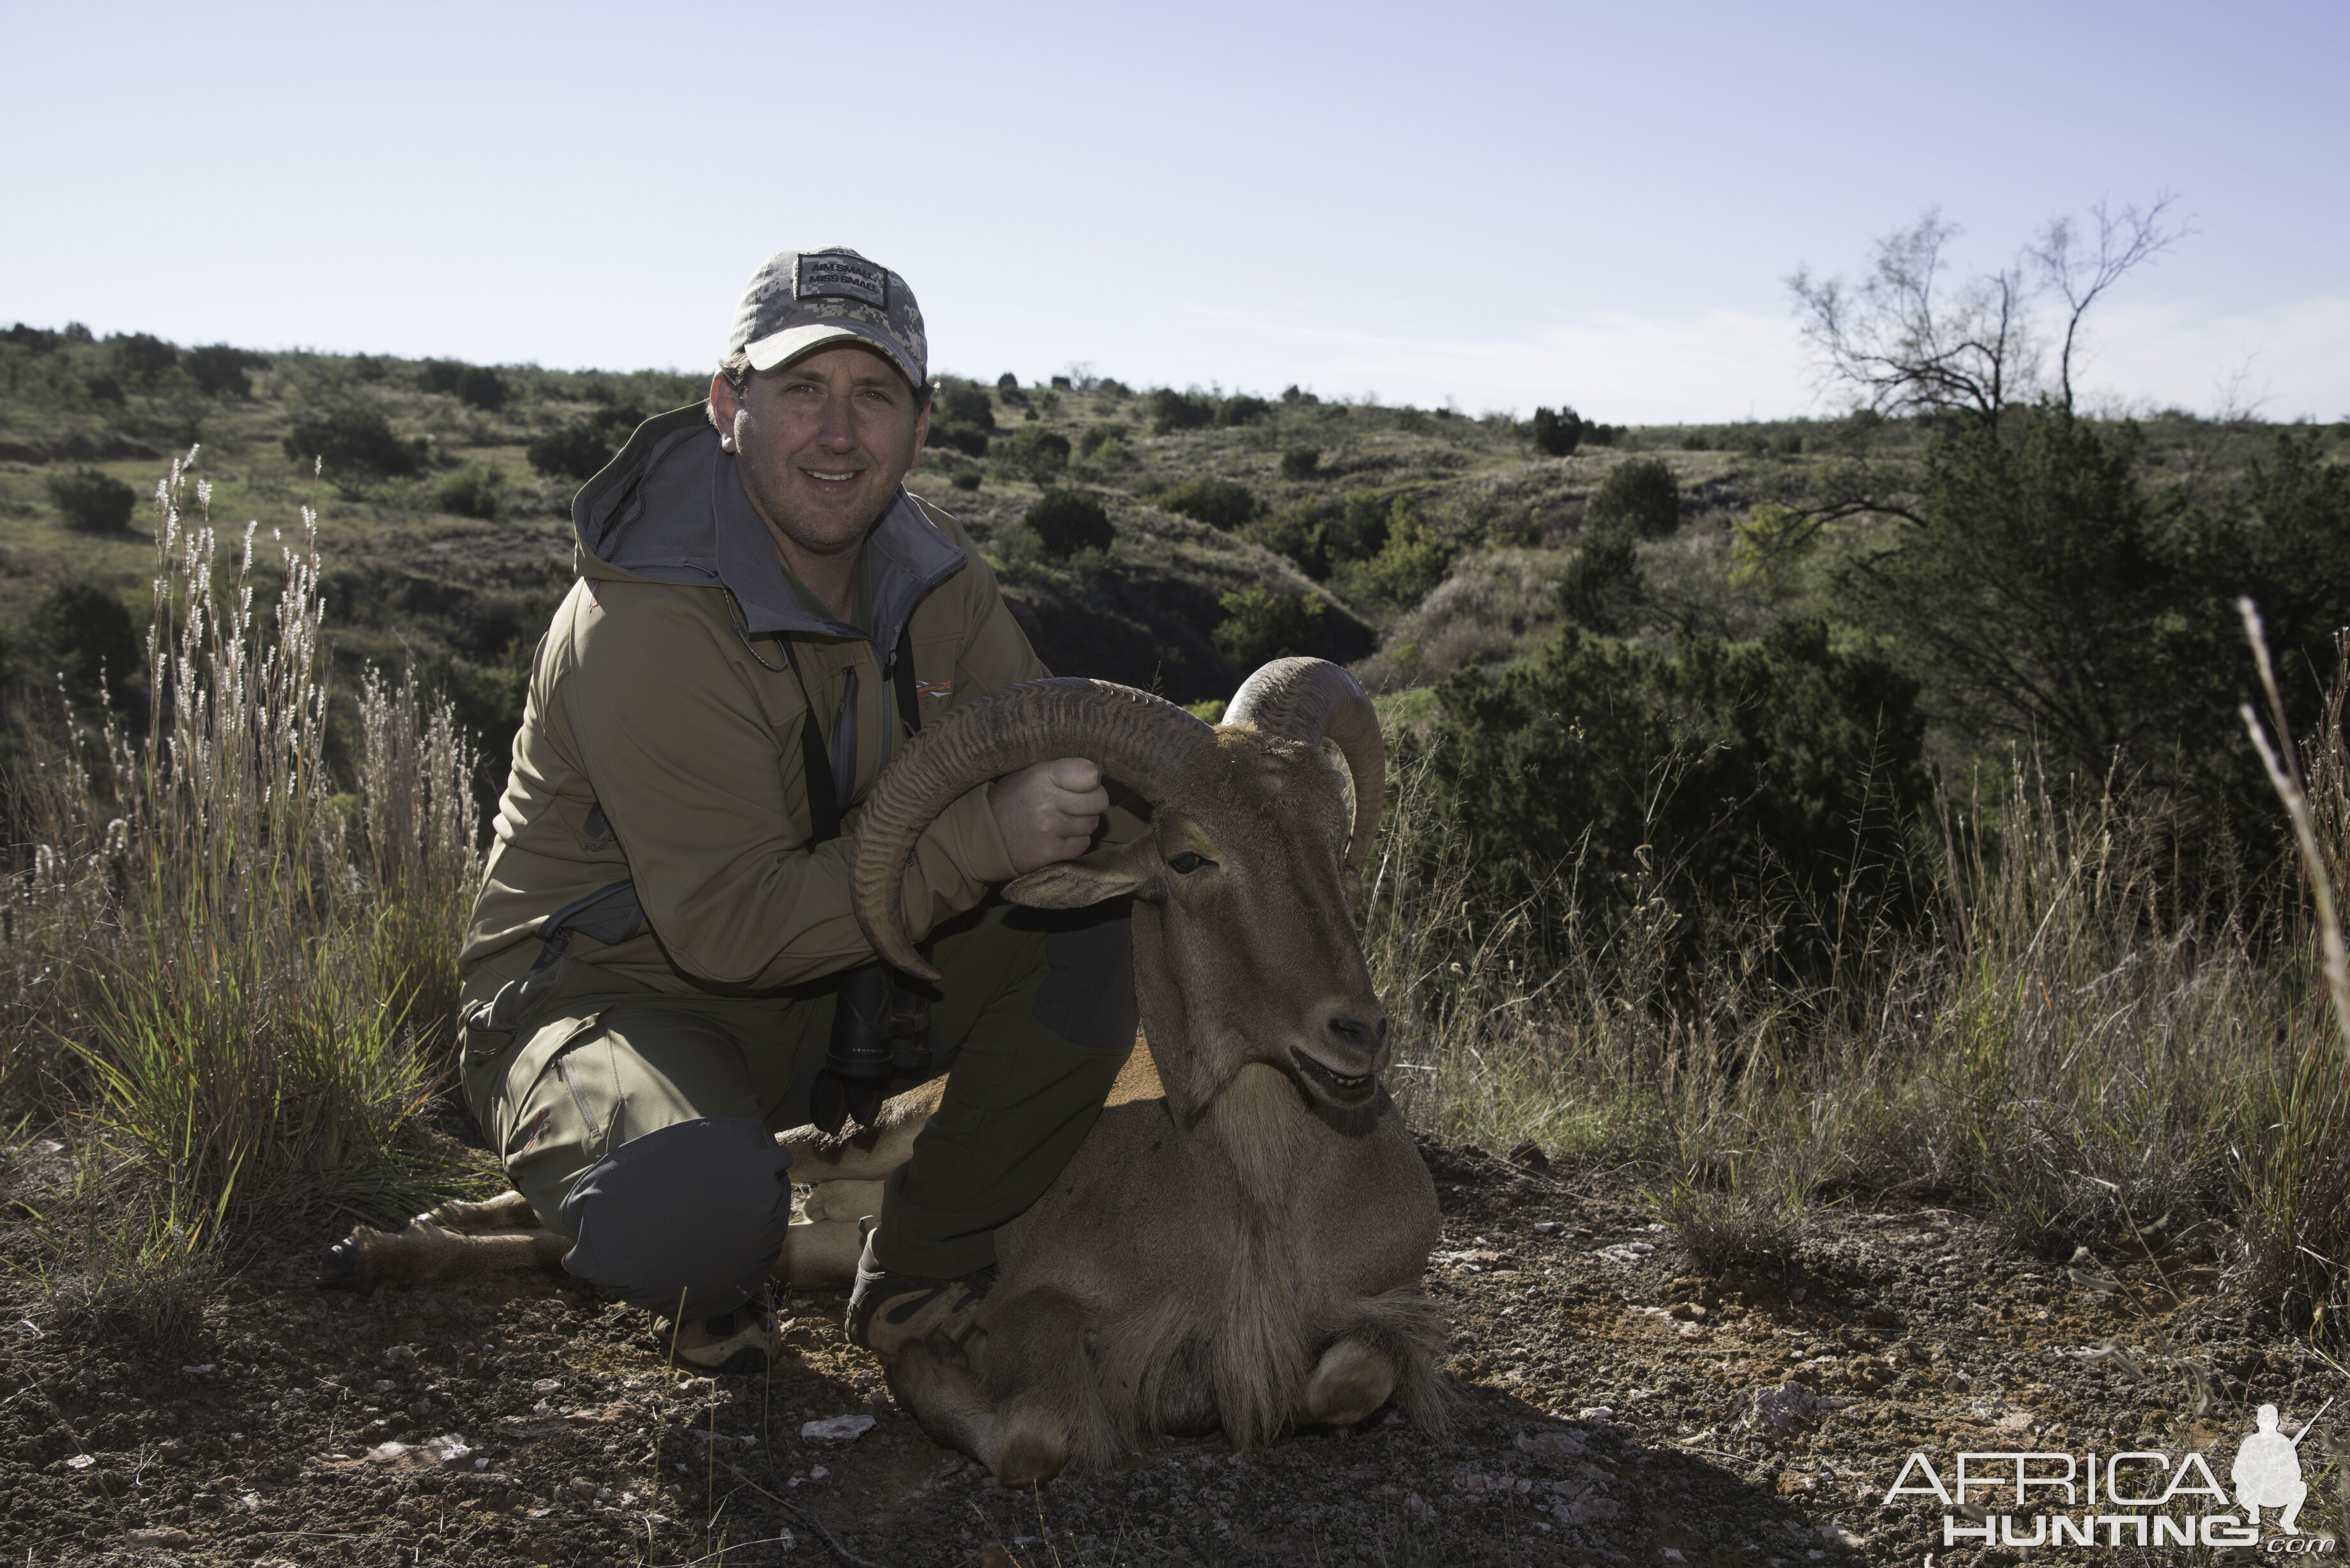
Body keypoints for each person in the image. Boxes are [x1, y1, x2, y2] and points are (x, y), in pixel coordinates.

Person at [455, 248, 1138, 1373]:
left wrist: (1176, 801)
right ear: (729, 406)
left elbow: (1048, 753)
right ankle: (690, 1204)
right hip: (619, 993)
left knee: (1089, 936)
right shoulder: (647, 622)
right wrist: (988, 835)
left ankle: (918, 1272)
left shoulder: (937, 584)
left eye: (874, 396)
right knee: (695, 1213)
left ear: (920, 428)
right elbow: (728, 924)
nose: (839, 432)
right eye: (800, 391)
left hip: (837, 978)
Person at [2231, 1403, 2308, 1533]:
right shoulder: (2251, 1442)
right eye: (2264, 1419)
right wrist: (2255, 1476)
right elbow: (2237, 1472)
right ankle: (2254, 1513)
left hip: (2277, 1492)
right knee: (2242, 1486)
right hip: (2254, 1493)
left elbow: (2297, 1473)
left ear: (2277, 1421)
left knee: (2301, 1487)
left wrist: (2280, 1474)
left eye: (2271, 1419)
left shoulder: (2284, 1442)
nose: (2268, 1423)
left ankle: (2288, 1521)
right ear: (2258, 1422)